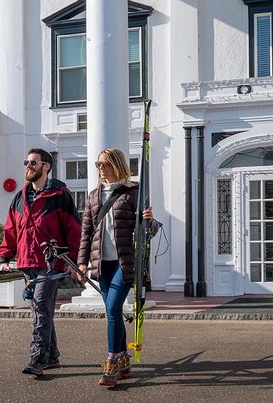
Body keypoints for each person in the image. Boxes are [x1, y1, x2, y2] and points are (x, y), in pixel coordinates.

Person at [77, 147, 158, 387]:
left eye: (106, 164)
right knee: (113, 312)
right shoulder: (93, 196)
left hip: (125, 261)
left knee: (112, 309)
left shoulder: (134, 192)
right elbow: (86, 233)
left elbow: (149, 233)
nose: (101, 169)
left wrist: (149, 221)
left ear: (117, 165)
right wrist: (82, 262)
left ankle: (112, 361)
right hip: (101, 263)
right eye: (98, 165)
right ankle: (123, 359)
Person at [0, 147, 81, 377]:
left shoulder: (60, 196)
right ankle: (52, 355)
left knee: (41, 308)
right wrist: (5, 257)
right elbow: (11, 230)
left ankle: (38, 358)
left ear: (46, 166)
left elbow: (74, 230)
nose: (28, 166)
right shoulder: (20, 197)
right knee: (39, 309)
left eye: (33, 162)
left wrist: (74, 262)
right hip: (26, 262)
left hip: (51, 263)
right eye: (26, 162)